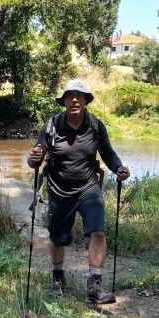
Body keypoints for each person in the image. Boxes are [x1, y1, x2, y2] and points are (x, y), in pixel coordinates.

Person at [28, 79, 130, 304]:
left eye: (79, 95)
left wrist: (119, 168)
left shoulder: (95, 125)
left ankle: (94, 288)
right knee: (58, 238)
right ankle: (58, 280)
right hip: (58, 190)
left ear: (85, 100)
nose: (74, 99)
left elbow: (108, 154)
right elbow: (35, 158)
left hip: (88, 188)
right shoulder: (52, 126)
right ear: (64, 100)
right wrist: (33, 158)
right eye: (70, 95)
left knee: (98, 232)